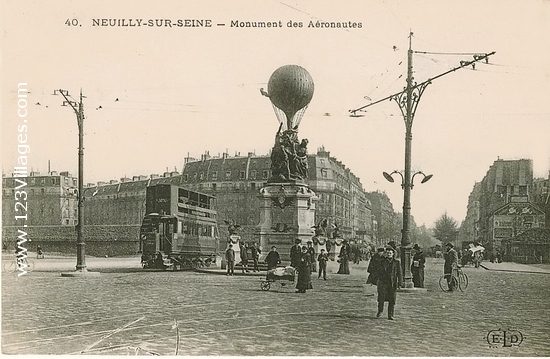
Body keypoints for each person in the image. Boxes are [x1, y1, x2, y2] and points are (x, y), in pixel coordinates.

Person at [376, 246, 403, 320]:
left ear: (393, 254)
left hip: (392, 283)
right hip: (383, 283)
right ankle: (380, 311)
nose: (389, 254)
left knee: (392, 299)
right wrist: (376, 281)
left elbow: (399, 273)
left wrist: (400, 283)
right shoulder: (381, 262)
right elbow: (377, 272)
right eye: (387, 253)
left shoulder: (397, 263)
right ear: (385, 254)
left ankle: (390, 315)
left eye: (390, 253)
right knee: (381, 298)